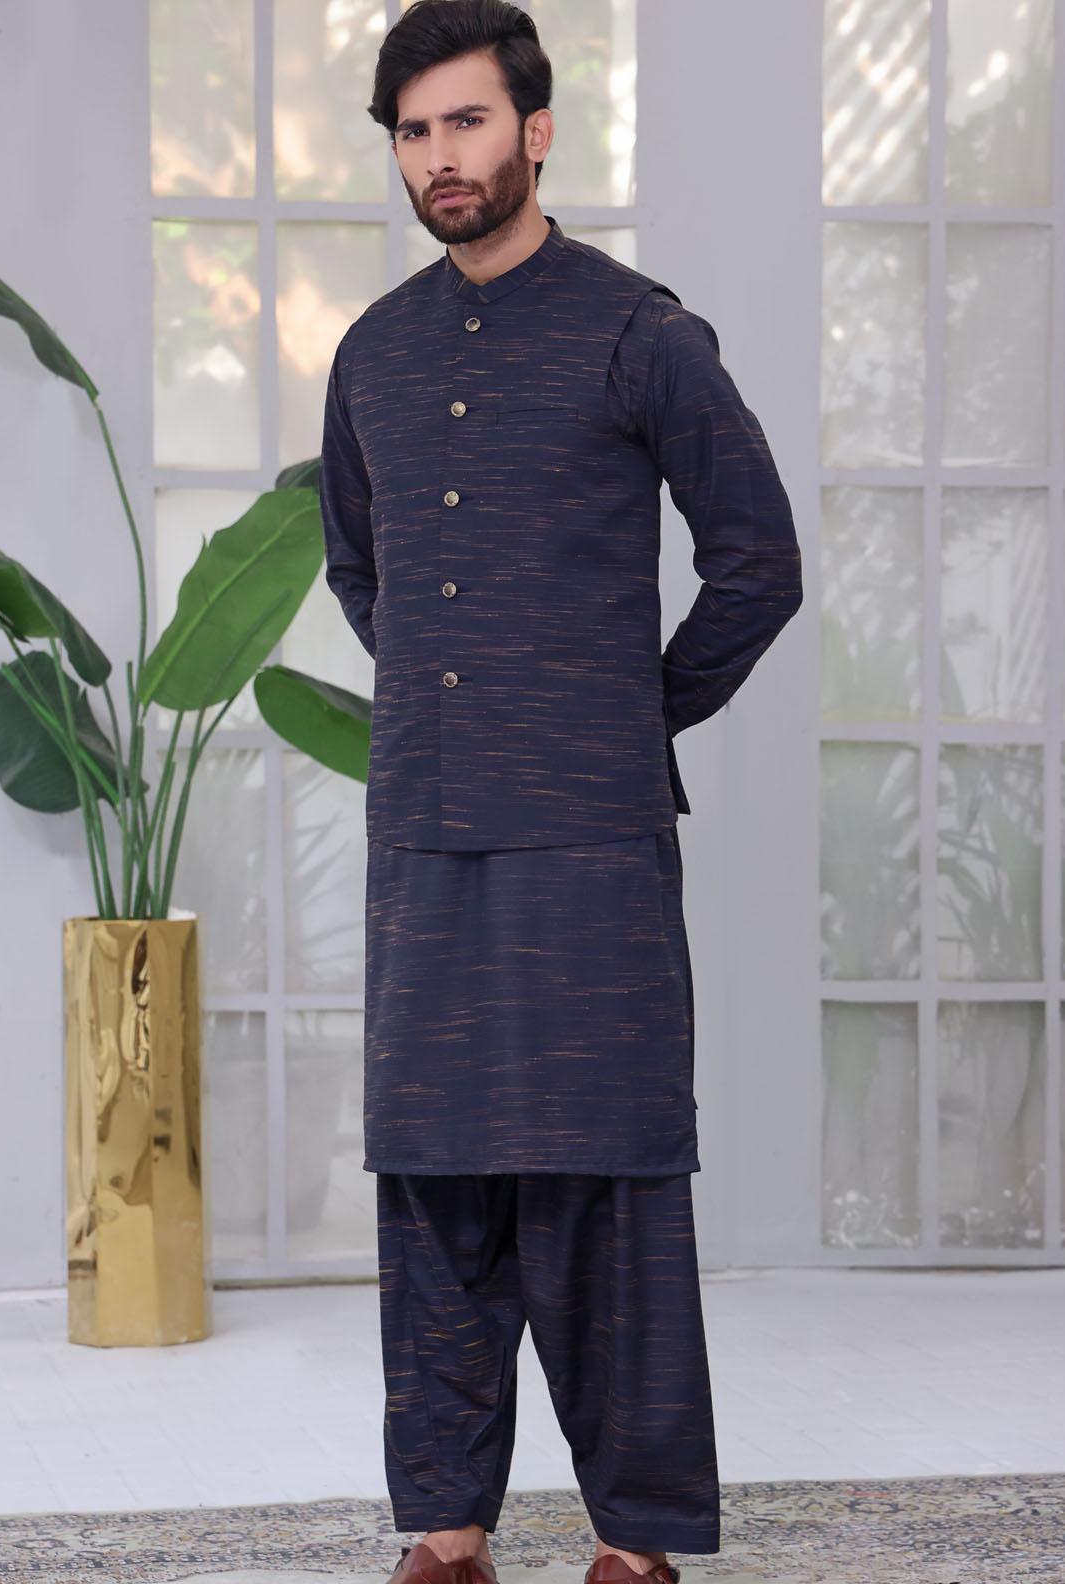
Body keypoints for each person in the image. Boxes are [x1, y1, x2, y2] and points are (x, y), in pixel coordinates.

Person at [318, 4, 803, 1581]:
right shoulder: (372, 353)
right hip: (424, 836)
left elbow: (757, 562)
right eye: (413, 132)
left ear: (534, 131)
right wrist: (462, 707)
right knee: (433, 1179)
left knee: (604, 1181)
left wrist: (615, 713)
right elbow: (360, 570)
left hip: (589, 843)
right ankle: (447, 1528)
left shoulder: (637, 333)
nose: (439, 158)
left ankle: (635, 1539)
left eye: (465, 122)